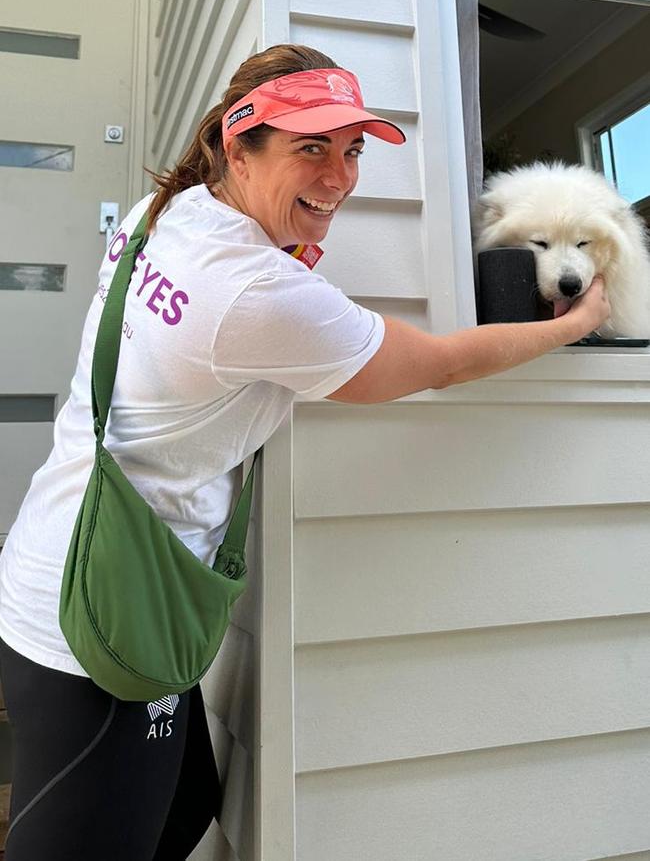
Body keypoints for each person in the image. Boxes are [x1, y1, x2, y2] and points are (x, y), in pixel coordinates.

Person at [0, 43, 609, 860]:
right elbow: (438, 362)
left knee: (185, 812)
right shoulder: (255, 292)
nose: (339, 177)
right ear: (235, 144)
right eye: (310, 147)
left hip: (83, 561)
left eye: (352, 149)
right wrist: (571, 326)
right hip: (101, 627)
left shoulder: (167, 213)